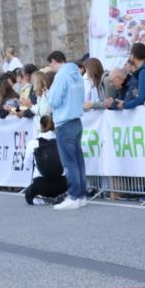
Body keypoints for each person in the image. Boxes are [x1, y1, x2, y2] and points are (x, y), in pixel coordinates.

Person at [47, 51, 88, 210]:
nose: (51, 68)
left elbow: (54, 100)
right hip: (76, 120)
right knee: (78, 161)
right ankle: (81, 195)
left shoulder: (61, 75)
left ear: (54, 61)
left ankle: (73, 196)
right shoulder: (76, 73)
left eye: (50, 64)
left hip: (64, 121)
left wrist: (48, 94)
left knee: (69, 162)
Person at [23, 115, 67, 205]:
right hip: (62, 184)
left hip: (41, 185)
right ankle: (59, 197)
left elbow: (27, 166)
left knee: (28, 194)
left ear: (41, 126)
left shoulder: (33, 143)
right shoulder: (61, 142)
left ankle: (43, 199)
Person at [121, 43, 145, 109]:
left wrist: (124, 105)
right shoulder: (142, 71)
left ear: (133, 56)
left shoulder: (144, 72)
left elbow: (142, 98)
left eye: (130, 53)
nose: (129, 56)